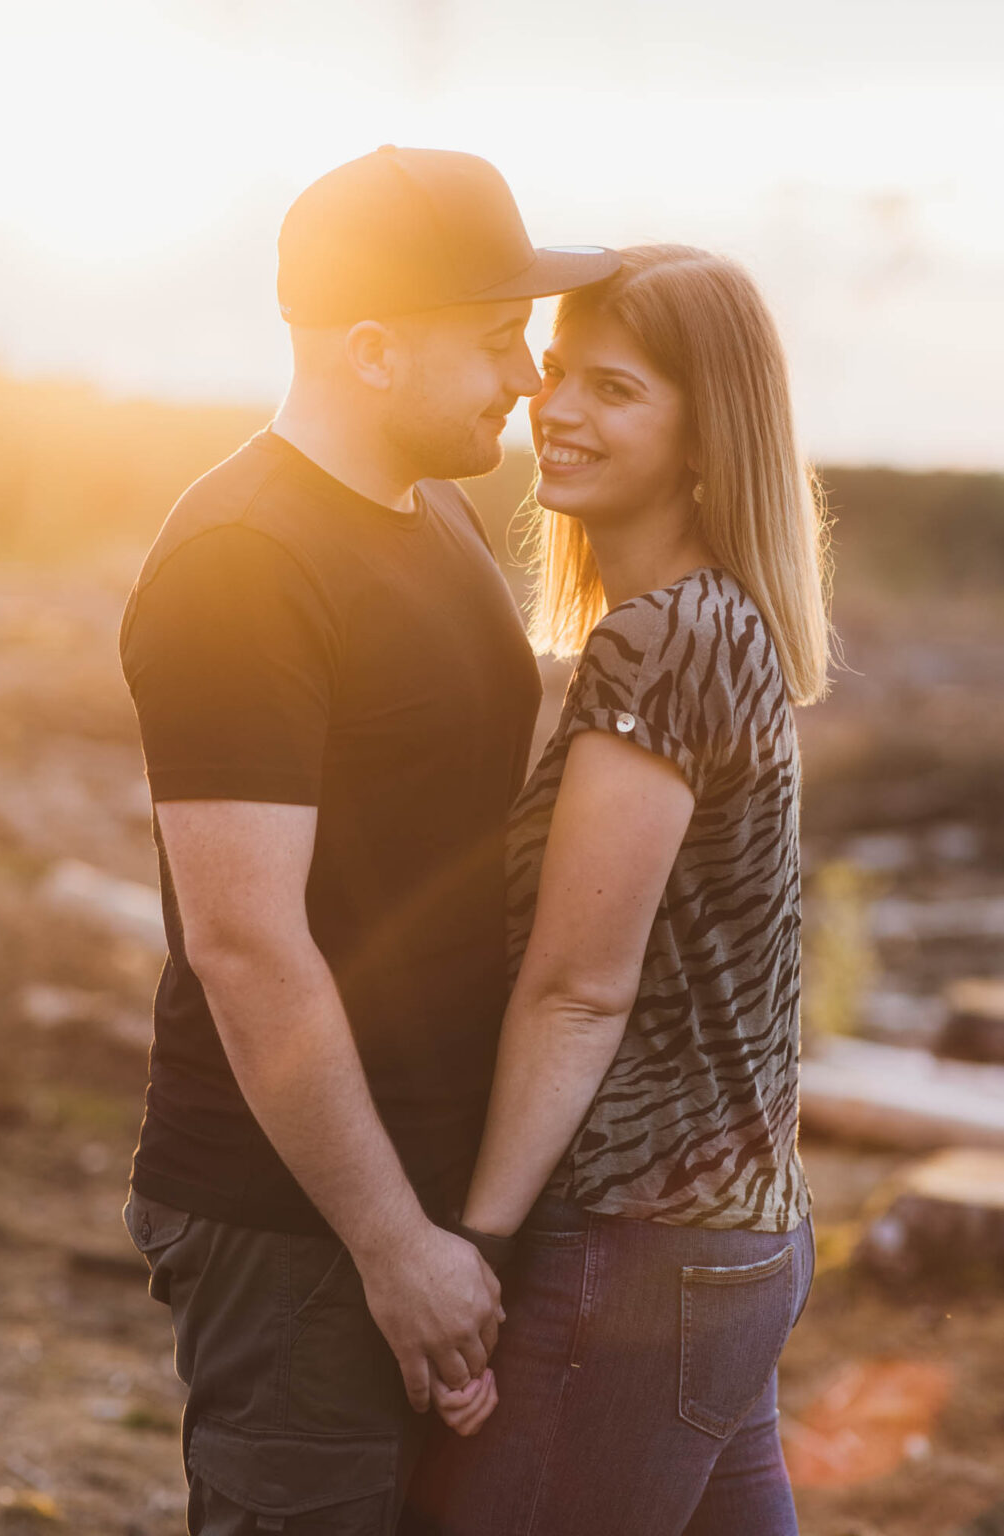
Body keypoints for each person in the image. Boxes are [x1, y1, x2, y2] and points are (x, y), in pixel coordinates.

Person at [118, 145, 618, 1535]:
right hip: (301, 1218)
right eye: (496, 338)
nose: (526, 378)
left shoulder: (437, 512)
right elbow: (244, 939)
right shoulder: (244, 560)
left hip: (428, 1191)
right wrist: (391, 1242)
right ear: (374, 351)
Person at [399, 244, 832, 1535]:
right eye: (561, 375)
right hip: (732, 1239)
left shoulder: (665, 639)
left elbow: (579, 990)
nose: (558, 410)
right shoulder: (715, 623)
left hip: (640, 1250)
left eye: (615, 390)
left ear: (708, 435)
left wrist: (471, 1250)